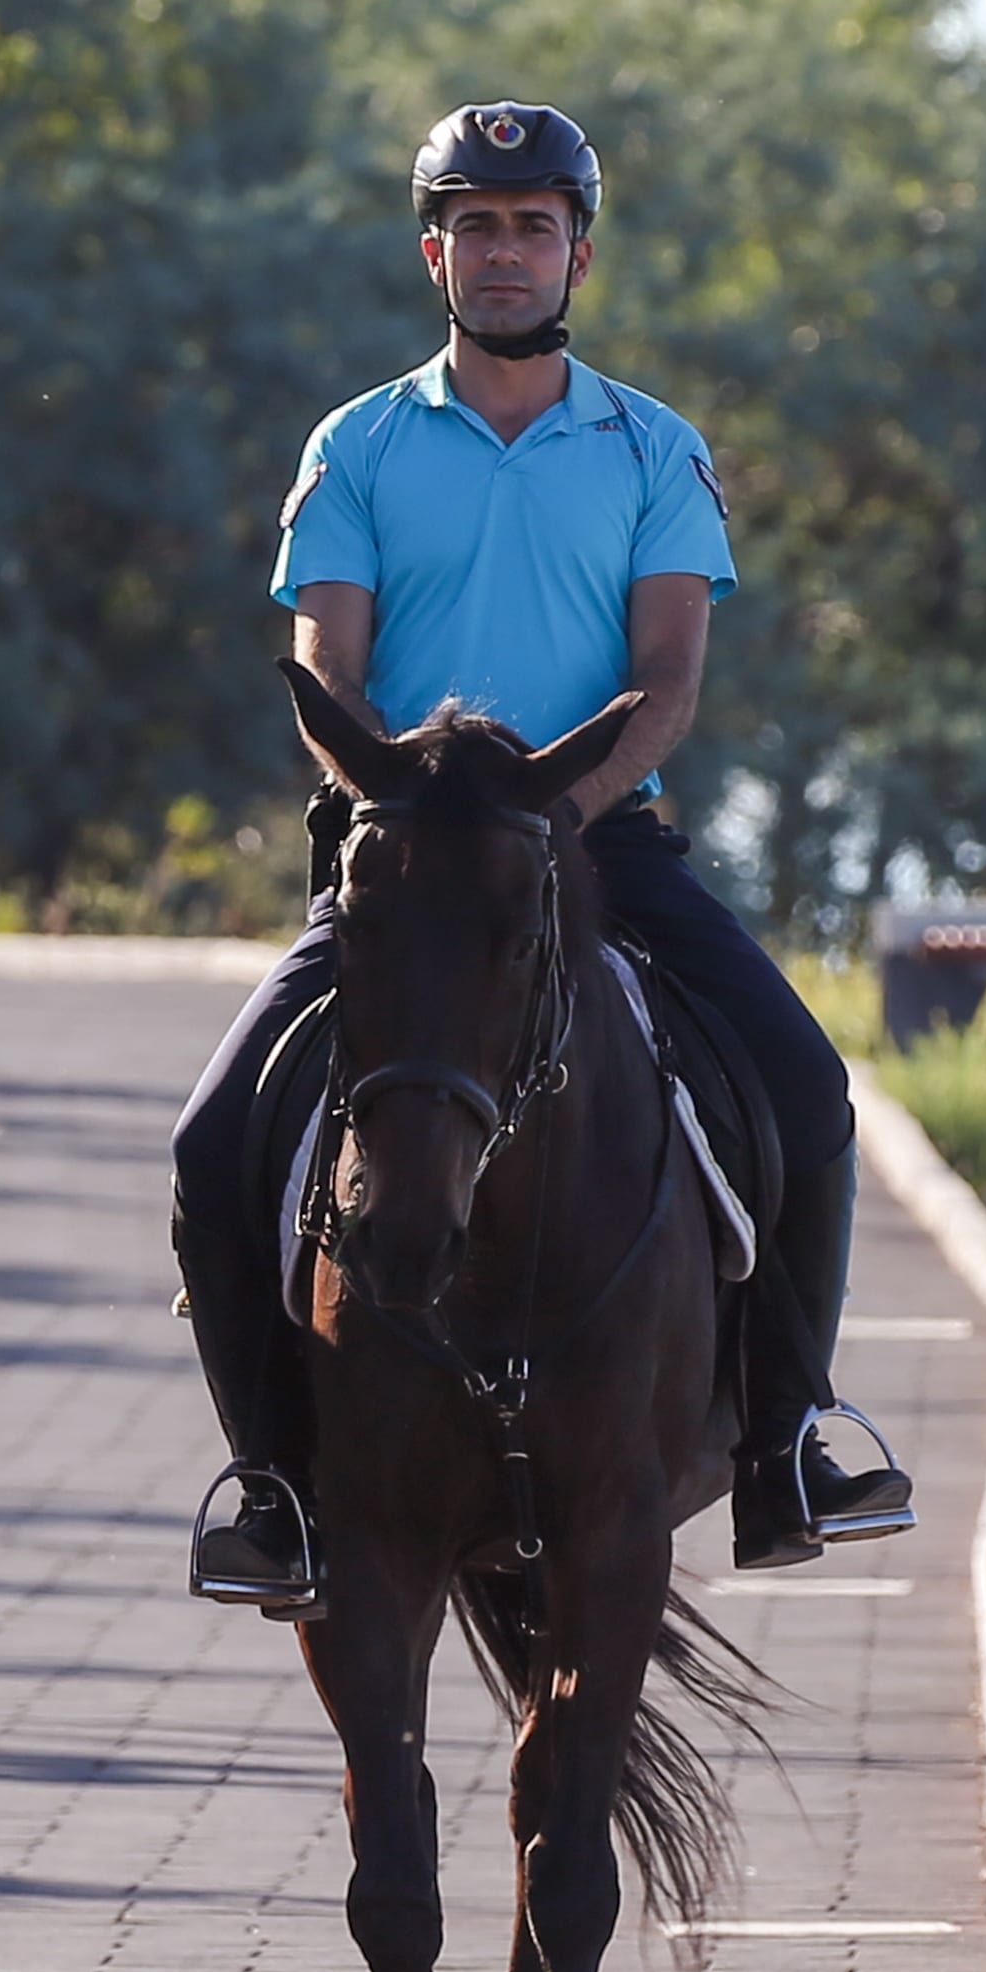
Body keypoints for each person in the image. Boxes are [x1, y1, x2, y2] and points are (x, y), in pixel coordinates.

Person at [177, 100, 909, 1599]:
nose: (505, 253)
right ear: (434, 250)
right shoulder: (358, 444)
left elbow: (670, 681)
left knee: (807, 1097)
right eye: (477, 226)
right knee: (209, 1142)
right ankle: (271, 1484)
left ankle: (788, 1434)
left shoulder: (656, 448)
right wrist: (430, 830)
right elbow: (330, 677)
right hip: (401, 867)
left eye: (534, 226)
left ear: (578, 250)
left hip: (598, 847)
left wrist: (540, 826)